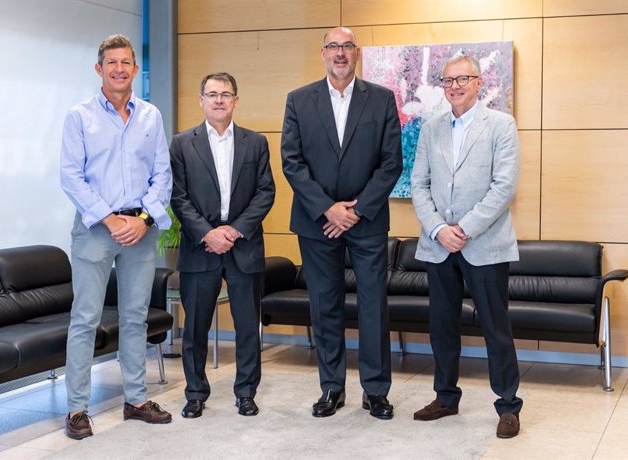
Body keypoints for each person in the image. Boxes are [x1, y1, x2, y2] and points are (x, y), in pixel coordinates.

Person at [281, 27, 403, 420]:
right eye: (333, 47)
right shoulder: (299, 100)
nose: (340, 53)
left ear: (357, 53)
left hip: (366, 222)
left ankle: (376, 391)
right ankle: (331, 387)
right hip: (316, 223)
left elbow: (391, 163)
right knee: (325, 306)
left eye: (346, 46)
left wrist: (355, 210)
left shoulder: (382, 99)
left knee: (373, 307)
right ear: (322, 54)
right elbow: (292, 162)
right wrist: (327, 209)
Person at [60, 34, 173, 440]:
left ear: (134, 68)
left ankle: (136, 400)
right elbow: (71, 176)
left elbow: (163, 174)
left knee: (135, 316)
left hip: (139, 231)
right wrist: (110, 220)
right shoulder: (80, 116)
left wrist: (143, 218)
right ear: (99, 68)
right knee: (85, 318)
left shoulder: (151, 116)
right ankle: (76, 410)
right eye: (112, 63)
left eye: (126, 62)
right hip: (95, 230)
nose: (120, 69)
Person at [410, 54, 523, 438]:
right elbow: (419, 185)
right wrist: (441, 228)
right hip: (438, 244)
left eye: (463, 79)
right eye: (448, 81)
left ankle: (508, 405)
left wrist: (465, 228)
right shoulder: (431, 128)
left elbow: (504, 187)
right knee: (442, 326)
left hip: (485, 243)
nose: (455, 86)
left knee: (496, 327)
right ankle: (446, 397)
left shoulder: (501, 125)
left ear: (478, 82)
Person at [170, 72, 275, 419]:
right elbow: (178, 197)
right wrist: (208, 233)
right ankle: (195, 393)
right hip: (201, 248)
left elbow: (265, 192)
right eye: (212, 94)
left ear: (235, 100)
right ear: (201, 100)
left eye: (225, 94)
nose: (218, 100)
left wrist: (234, 230)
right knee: (195, 328)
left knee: (248, 327)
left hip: (243, 247)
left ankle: (246, 392)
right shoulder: (182, 144)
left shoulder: (255, 142)